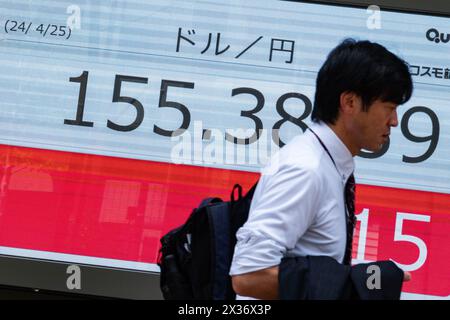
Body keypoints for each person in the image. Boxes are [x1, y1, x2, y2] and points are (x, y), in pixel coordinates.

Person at [229, 38, 413, 300]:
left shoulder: (330, 163)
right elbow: (248, 276)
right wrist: (356, 284)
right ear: (349, 103)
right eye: (390, 108)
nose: (394, 121)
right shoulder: (306, 169)